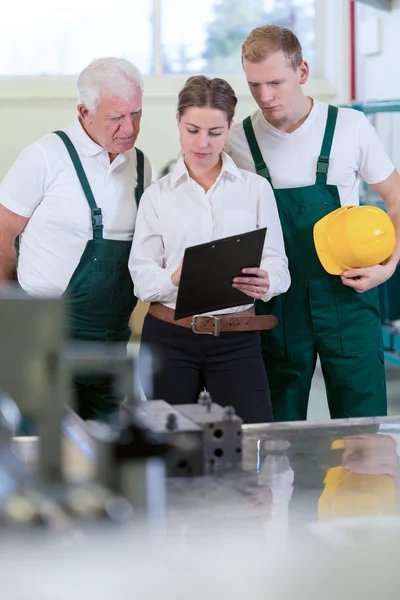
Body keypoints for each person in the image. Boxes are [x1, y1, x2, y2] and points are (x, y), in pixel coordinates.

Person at [225, 25, 400, 422]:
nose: (265, 97)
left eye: (275, 82)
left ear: (302, 72)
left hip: (349, 295)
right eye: (254, 85)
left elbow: (396, 198)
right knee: (275, 433)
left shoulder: (350, 127)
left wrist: (388, 267)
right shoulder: (237, 141)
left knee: (362, 426)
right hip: (277, 301)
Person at [129, 75, 290, 423]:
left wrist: (268, 282)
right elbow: (141, 280)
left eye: (215, 132)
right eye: (192, 130)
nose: (202, 143)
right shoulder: (157, 196)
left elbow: (279, 265)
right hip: (168, 340)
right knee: (171, 454)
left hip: (237, 340)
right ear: (177, 123)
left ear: (230, 127)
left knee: (253, 441)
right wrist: (176, 277)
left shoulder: (255, 189)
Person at [0, 57, 152, 422]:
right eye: (116, 117)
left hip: (112, 342)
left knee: (110, 455)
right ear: (84, 111)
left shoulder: (140, 165)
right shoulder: (45, 157)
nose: (129, 127)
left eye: (136, 114)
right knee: (47, 455)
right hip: (46, 342)